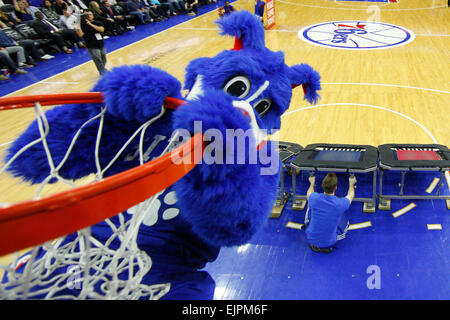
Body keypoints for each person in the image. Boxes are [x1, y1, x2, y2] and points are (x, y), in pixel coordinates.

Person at [303, 173, 356, 254]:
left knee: (310, 207)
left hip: (311, 240)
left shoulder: (314, 198)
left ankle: (315, 240)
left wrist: (312, 183)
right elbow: (350, 195)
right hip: (329, 244)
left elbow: (309, 193)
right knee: (343, 218)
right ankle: (326, 245)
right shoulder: (339, 203)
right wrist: (351, 183)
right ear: (335, 187)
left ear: (322, 185)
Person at [76, 9, 107, 75]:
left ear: (93, 15)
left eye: (90, 14)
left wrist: (90, 24)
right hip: (91, 44)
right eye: (86, 15)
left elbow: (101, 29)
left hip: (100, 43)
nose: (88, 16)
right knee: (97, 58)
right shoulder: (82, 25)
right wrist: (77, 25)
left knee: (103, 58)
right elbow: (80, 34)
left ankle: (102, 69)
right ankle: (102, 71)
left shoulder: (98, 22)